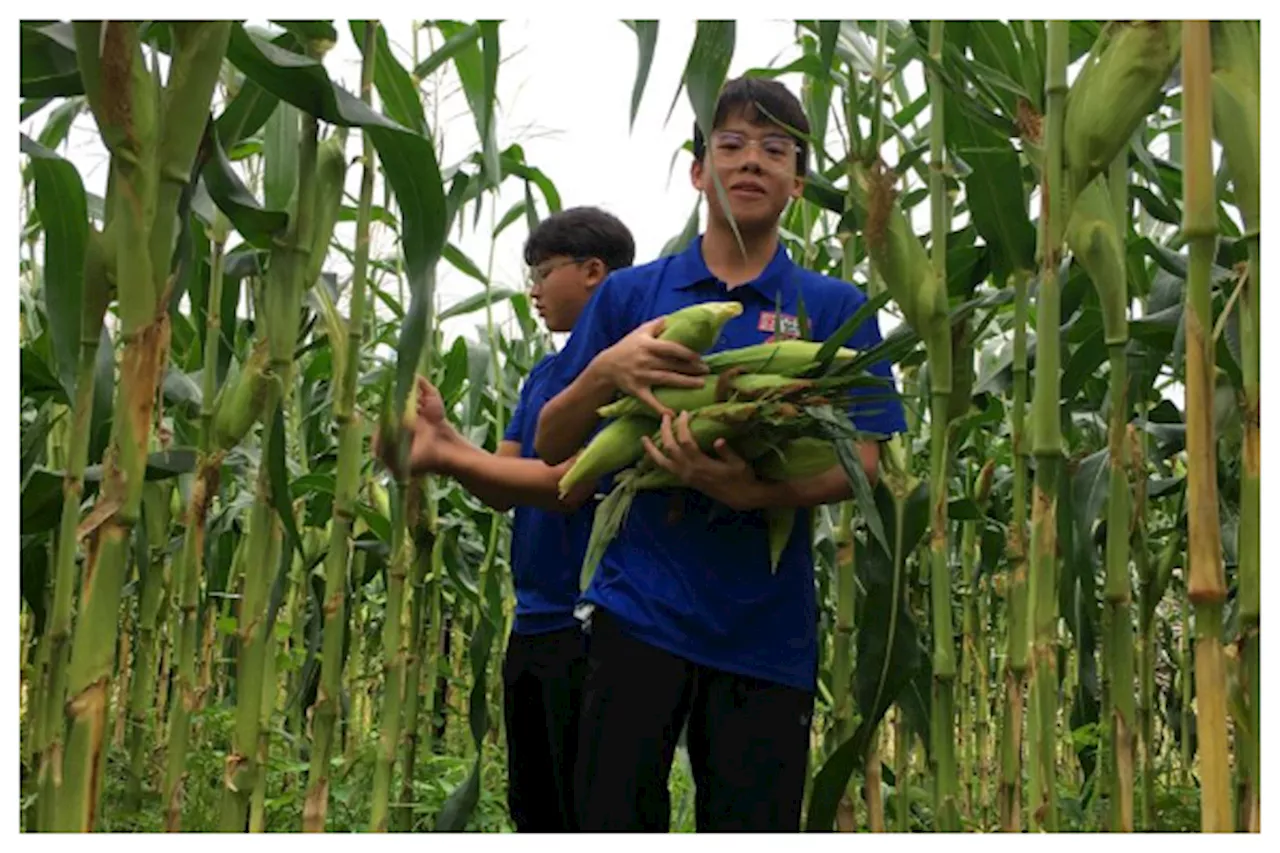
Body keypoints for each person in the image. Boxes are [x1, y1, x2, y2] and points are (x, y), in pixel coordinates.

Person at [532, 77, 910, 832]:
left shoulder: (832, 310)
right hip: (636, 614)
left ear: (797, 183)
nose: (752, 162)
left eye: (775, 149)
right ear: (700, 170)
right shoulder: (634, 298)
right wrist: (609, 370)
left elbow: (867, 461)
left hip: (764, 634)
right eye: (731, 144)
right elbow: (551, 443)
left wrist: (751, 492)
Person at [381, 206, 637, 832]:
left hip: (597, 624)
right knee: (537, 808)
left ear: (593, 272)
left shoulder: (628, 367)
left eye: (543, 273)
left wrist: (440, 455)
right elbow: (503, 482)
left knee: (590, 813)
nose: (533, 290)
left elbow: (564, 485)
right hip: (536, 619)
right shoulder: (546, 375)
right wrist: (445, 435)